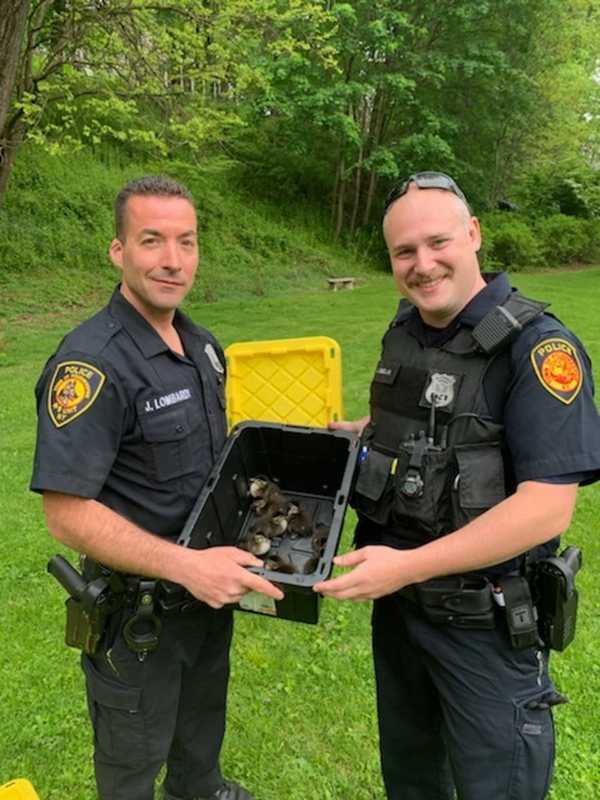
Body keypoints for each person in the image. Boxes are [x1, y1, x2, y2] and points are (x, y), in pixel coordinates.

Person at [314, 172, 600, 800]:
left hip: (485, 627)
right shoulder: (408, 330)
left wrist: (408, 566)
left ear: (474, 234)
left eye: (437, 242)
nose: (422, 265)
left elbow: (545, 510)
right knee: (414, 780)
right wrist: (363, 431)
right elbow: (431, 423)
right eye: (403, 252)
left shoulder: (537, 350)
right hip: (403, 617)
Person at [30, 175, 283, 800]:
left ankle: (200, 790)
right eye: (152, 241)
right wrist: (185, 566)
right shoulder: (91, 364)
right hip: (139, 618)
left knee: (200, 737)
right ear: (118, 251)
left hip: (206, 600)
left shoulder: (201, 346)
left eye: (187, 242)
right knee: (131, 768)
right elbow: (66, 514)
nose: (173, 260)